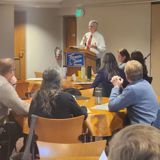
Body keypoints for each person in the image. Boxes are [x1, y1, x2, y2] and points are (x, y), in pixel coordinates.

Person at [108, 60, 159, 124]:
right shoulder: (145, 83)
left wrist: (116, 86)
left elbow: (112, 106)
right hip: (154, 126)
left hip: (143, 129)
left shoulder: (132, 89)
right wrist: (119, 86)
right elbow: (127, 96)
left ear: (126, 75)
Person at [0, 58, 29, 159]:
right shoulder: (3, 85)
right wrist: (37, 106)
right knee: (23, 129)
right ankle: (5, 156)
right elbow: (22, 109)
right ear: (11, 70)